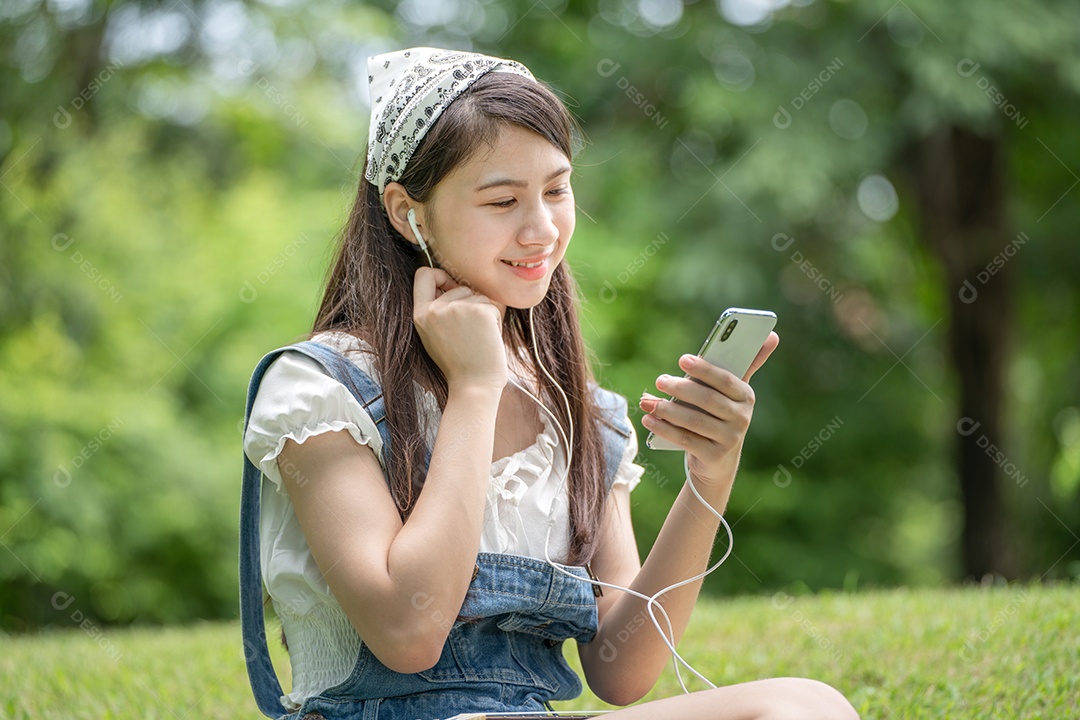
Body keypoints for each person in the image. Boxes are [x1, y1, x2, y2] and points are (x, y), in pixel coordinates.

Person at [240, 47, 859, 720]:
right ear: (405, 212)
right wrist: (475, 387)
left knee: (807, 704)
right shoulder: (321, 389)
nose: (542, 230)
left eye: (557, 190)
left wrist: (709, 476)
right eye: (503, 199)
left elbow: (622, 673)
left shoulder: (578, 411)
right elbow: (407, 633)